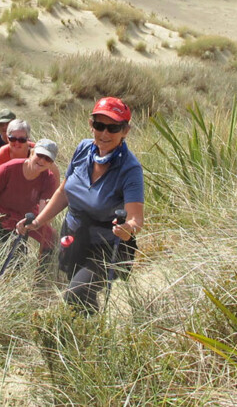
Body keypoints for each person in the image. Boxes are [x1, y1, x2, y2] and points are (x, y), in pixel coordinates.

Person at [18, 97, 143, 313]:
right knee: (74, 289)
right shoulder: (84, 149)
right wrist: (38, 221)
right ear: (91, 125)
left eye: (113, 128)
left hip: (106, 245)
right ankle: (88, 332)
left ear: (125, 131)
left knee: (76, 292)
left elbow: (135, 218)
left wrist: (127, 229)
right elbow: (64, 192)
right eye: (99, 125)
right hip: (74, 235)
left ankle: (83, 336)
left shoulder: (130, 169)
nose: (104, 134)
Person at [0, 119, 60, 255]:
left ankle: (41, 274)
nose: (17, 143)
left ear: (28, 140)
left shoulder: (48, 172)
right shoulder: (5, 162)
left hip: (24, 210)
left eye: (22, 139)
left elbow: (51, 203)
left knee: (50, 237)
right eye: (13, 139)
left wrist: (35, 222)